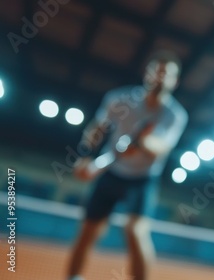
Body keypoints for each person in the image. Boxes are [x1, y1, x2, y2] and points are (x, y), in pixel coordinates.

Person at [67, 51, 188, 280]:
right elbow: (97, 129)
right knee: (88, 231)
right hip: (111, 173)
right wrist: (85, 156)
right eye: (157, 71)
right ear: (148, 74)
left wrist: (142, 142)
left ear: (175, 82)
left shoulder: (176, 115)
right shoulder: (118, 99)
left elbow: (161, 148)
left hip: (143, 179)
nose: (160, 77)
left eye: (166, 74)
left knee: (135, 231)